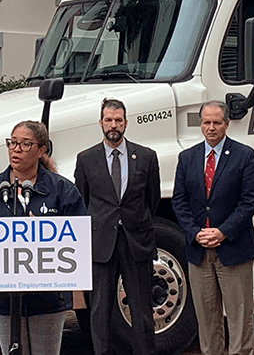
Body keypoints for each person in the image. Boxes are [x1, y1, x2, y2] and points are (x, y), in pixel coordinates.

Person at [0, 120, 87, 355]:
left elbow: (80, 238)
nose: (16, 149)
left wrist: (45, 231)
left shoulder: (62, 190)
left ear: (41, 150)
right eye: (12, 143)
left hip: (49, 298)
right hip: (3, 297)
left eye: (25, 144)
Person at [172, 100, 254, 355]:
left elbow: (249, 201)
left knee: (239, 319)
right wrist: (195, 232)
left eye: (216, 122)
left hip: (233, 248)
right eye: (206, 122)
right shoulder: (187, 158)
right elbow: (179, 201)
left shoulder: (244, 155)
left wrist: (222, 231)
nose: (211, 128)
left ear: (226, 124)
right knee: (207, 321)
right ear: (200, 124)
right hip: (199, 252)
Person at [74, 98, 160, 355]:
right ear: (100, 122)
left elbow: (152, 199)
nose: (114, 125)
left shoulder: (146, 156)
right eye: (109, 120)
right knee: (100, 311)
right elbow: (83, 199)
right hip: (101, 245)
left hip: (136, 241)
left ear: (126, 122)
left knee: (142, 310)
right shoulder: (86, 159)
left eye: (118, 120)